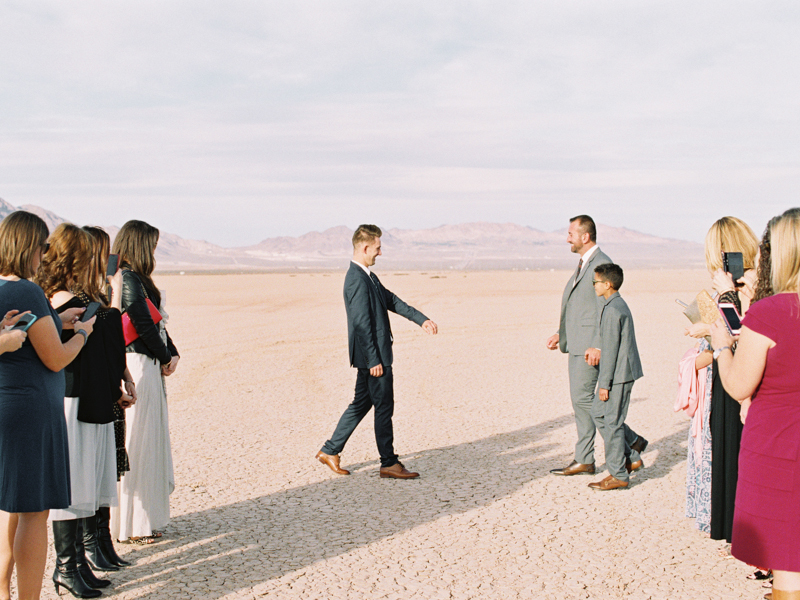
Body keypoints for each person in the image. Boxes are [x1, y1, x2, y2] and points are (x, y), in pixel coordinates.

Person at [0, 211, 95, 600]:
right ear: (29, 248)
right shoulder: (26, 290)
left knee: (9, 507)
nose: (43, 254)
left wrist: (57, 319)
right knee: (34, 512)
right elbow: (54, 358)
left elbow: (26, 335)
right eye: (42, 246)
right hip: (31, 412)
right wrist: (83, 334)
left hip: (8, 407)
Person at [710, 209, 800, 599]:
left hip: (779, 451)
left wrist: (720, 348)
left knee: (787, 556)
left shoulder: (770, 313)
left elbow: (737, 385)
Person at [316, 224, 438, 479]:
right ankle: (389, 463)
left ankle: (330, 450)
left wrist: (421, 319)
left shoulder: (367, 275)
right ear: (365, 247)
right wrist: (373, 359)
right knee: (384, 406)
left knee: (361, 403)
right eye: (378, 248)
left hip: (371, 355)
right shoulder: (357, 279)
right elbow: (361, 324)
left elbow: (390, 300)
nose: (380, 253)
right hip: (373, 357)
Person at [546, 215, 646, 476]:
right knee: (583, 402)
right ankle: (595, 455)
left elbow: (606, 308)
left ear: (585, 236)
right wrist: (562, 332)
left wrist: (598, 345)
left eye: (570, 233)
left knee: (585, 401)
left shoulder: (600, 264)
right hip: (578, 342)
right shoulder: (584, 263)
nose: (567, 238)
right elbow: (582, 306)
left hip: (589, 347)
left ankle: (627, 448)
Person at [111, 220, 178, 544]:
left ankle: (143, 519)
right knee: (138, 443)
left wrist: (171, 352)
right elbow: (143, 324)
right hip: (138, 365)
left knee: (148, 441)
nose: (155, 252)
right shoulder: (127, 279)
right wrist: (166, 356)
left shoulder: (136, 279)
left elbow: (157, 325)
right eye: (151, 245)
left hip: (148, 364)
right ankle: (133, 525)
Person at [82, 225, 135, 569]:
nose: (108, 259)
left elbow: (113, 347)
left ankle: (102, 540)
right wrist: (114, 296)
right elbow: (109, 333)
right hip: (95, 390)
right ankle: (91, 546)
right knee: (93, 471)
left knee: (108, 469)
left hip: (108, 386)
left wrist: (124, 376)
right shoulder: (81, 295)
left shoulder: (94, 292)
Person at [586, 264, 644, 491]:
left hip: (619, 374)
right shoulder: (615, 304)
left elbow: (609, 351)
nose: (594, 286)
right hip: (619, 371)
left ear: (607, 284)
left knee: (612, 422)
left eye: (595, 282)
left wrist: (604, 384)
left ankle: (619, 474)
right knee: (597, 412)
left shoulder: (612, 309)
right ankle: (633, 446)